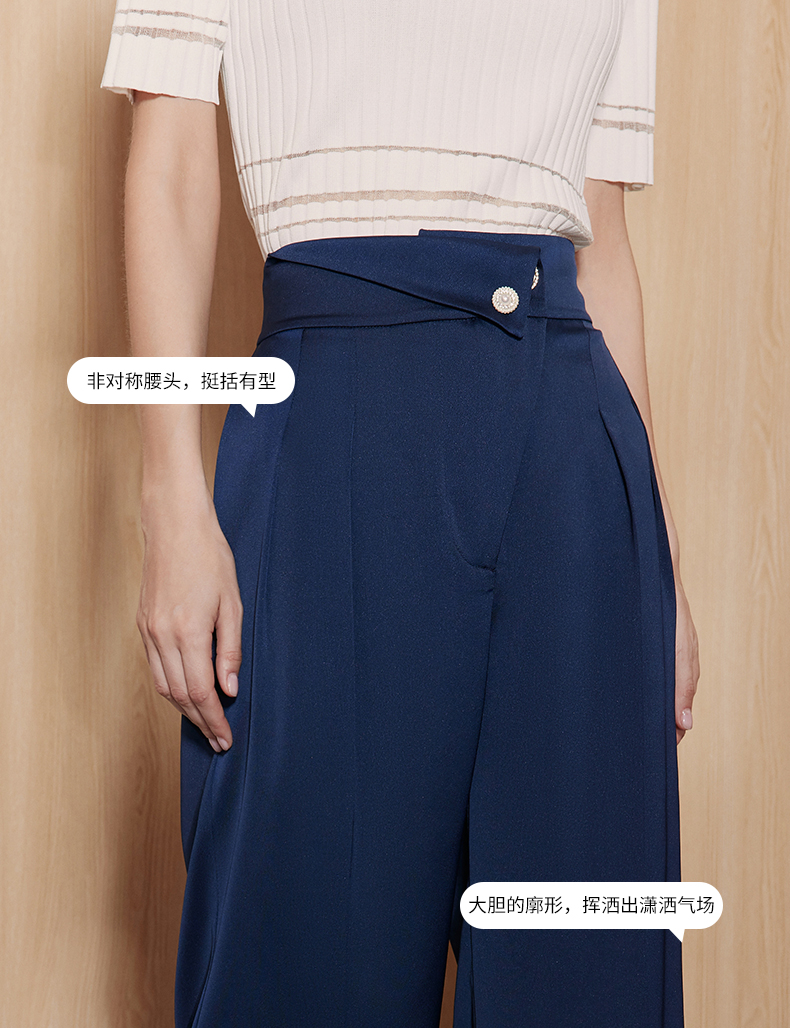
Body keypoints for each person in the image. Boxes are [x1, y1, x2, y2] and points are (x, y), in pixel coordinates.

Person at [101, 0, 699, 1025]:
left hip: (569, 450)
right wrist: (171, 499)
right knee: (300, 957)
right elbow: (170, 168)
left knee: (584, 971)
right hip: (334, 421)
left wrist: (663, 558)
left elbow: (598, 230)